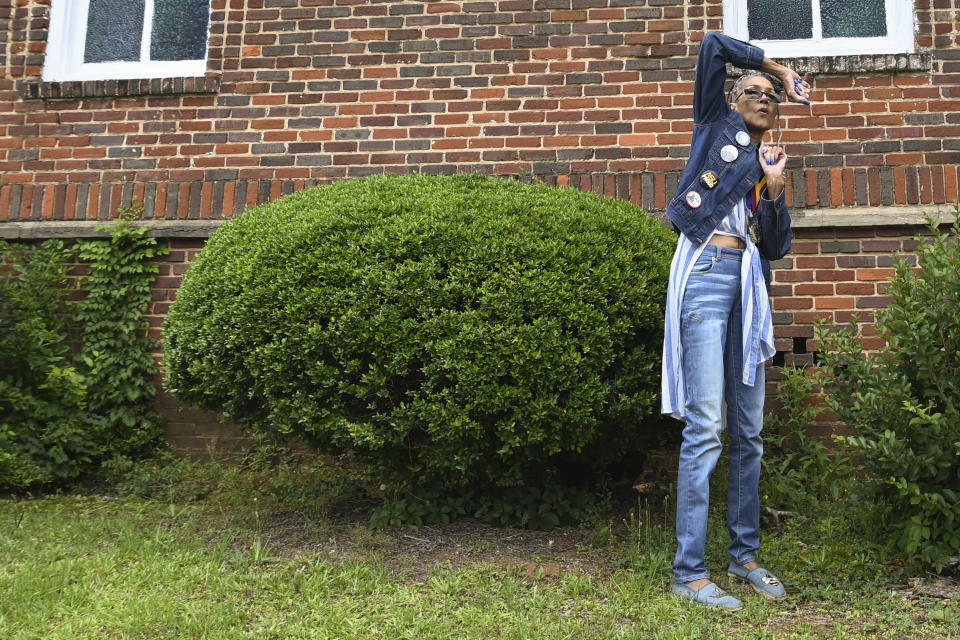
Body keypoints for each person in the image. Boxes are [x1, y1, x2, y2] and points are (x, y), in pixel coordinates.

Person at [661, 31, 811, 611]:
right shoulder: (712, 127)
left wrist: (774, 190)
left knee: (748, 427)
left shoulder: (767, 160)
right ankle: (688, 571)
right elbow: (711, 45)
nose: (766, 96)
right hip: (705, 273)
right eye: (754, 89)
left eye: (773, 94)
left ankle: (743, 555)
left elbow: (774, 247)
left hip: (750, 285)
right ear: (731, 100)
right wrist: (779, 66)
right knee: (705, 427)